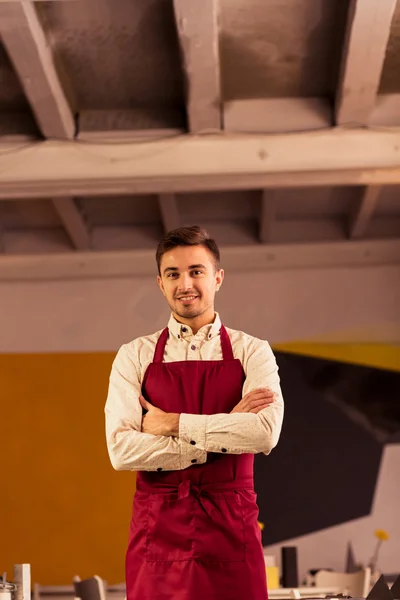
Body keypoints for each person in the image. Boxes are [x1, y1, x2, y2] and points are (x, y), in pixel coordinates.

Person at [105, 225, 284, 600]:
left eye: (196, 271)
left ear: (217, 278)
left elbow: (264, 433)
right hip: (157, 531)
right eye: (173, 274)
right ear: (160, 283)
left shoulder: (253, 351)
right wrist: (223, 433)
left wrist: (170, 424)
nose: (185, 283)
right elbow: (122, 451)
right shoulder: (133, 355)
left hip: (232, 529)